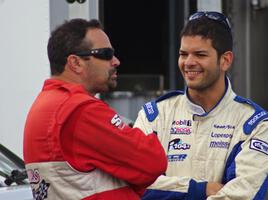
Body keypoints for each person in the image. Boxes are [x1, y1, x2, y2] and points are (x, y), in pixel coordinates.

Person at [134, 11, 268, 200]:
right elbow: (134, 182)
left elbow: (239, 196)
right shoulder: (155, 115)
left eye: (200, 55)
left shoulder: (254, 124)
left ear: (225, 60)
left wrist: (168, 191)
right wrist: (200, 189)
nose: (189, 62)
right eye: (183, 54)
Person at [23, 18, 167, 200]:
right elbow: (153, 162)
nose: (116, 61)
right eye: (106, 54)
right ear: (75, 63)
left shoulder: (45, 105)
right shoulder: (81, 109)